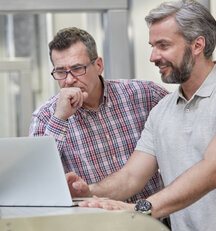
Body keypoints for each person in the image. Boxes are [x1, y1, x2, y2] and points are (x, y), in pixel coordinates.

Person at [67, 1, 216, 231]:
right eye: (153, 46)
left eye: (163, 45)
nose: (153, 57)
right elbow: (131, 177)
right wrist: (89, 192)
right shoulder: (162, 111)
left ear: (197, 45)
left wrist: (144, 208)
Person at [29, 27, 169, 203]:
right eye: (60, 72)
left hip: (155, 218)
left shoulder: (146, 95)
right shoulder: (45, 117)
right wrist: (60, 118)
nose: (69, 79)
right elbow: (36, 181)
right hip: (96, 224)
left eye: (77, 68)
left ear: (98, 65)